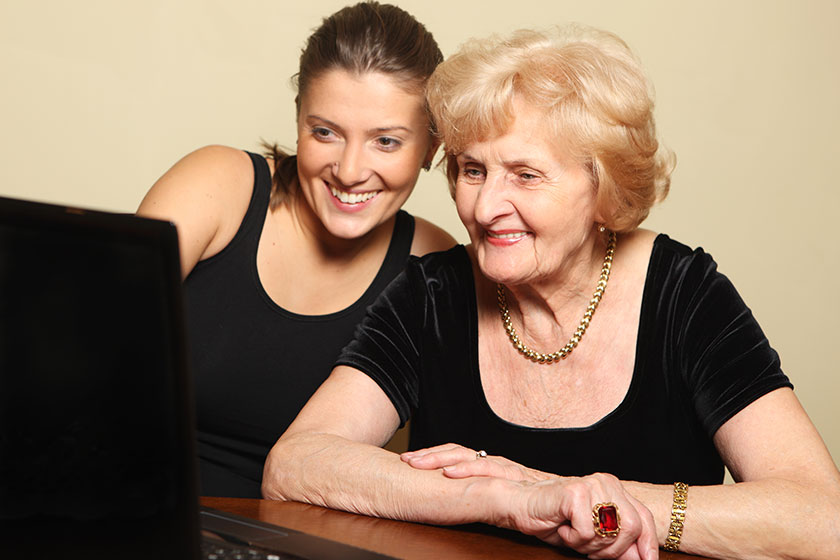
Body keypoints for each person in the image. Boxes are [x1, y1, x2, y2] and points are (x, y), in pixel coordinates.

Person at [261, 25, 840, 560]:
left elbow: (822, 518)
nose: (486, 208)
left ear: (602, 186)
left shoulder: (681, 294)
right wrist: (506, 500)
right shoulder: (433, 295)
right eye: (472, 170)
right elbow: (295, 464)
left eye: (526, 175)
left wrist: (568, 498)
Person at [136, 2, 455, 498]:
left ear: (432, 146)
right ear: (299, 120)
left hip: (284, 539)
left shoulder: (434, 263)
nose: (350, 171)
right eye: (325, 132)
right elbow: (85, 355)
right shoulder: (219, 185)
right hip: (123, 503)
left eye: (386, 142)